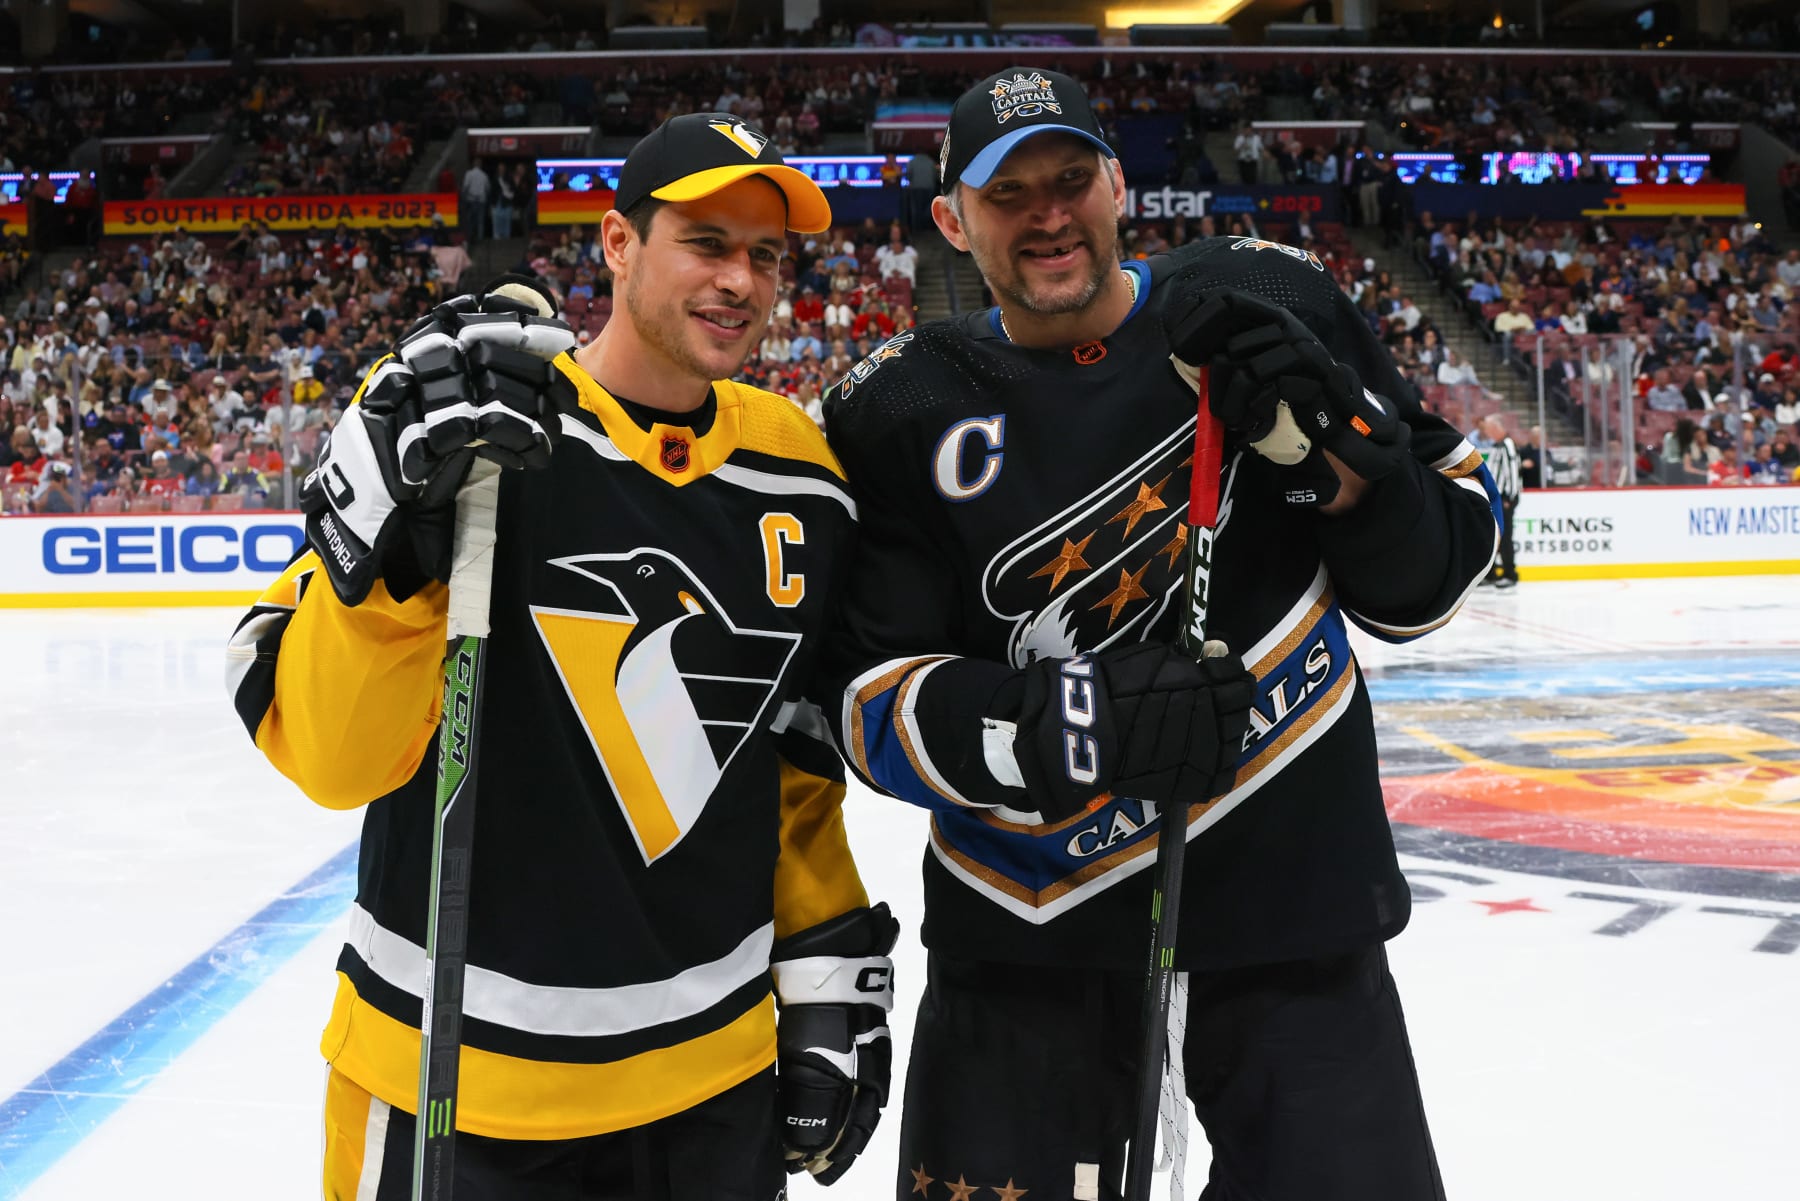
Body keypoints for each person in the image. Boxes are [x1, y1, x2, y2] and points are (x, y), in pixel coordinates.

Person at [822, 68, 1498, 1201]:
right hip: (1029, 936)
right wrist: (1069, 726)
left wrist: (1338, 470)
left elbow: (1426, 588)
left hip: (1297, 914)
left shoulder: (1265, 298)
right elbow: (868, 707)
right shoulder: (894, 410)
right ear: (952, 221)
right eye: (1009, 193)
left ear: (1119, 183)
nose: (1048, 213)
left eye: (1072, 178)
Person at [227, 113, 896, 1199]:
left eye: (766, 256)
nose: (741, 281)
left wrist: (826, 967)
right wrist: (384, 569)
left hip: (716, 1087)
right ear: (618, 243)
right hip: (465, 1080)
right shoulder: (470, 426)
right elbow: (334, 760)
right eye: (707, 241)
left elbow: (787, 763)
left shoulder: (801, 473)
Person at [1480, 415, 1521, 588]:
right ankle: (1492, 573)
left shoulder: (1507, 445)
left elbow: (1512, 472)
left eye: (1489, 428)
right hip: (1496, 498)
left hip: (1504, 499)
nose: (1486, 432)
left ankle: (1510, 574)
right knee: (1493, 536)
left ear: (1497, 428)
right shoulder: (1497, 445)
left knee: (1504, 537)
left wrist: (1508, 498)